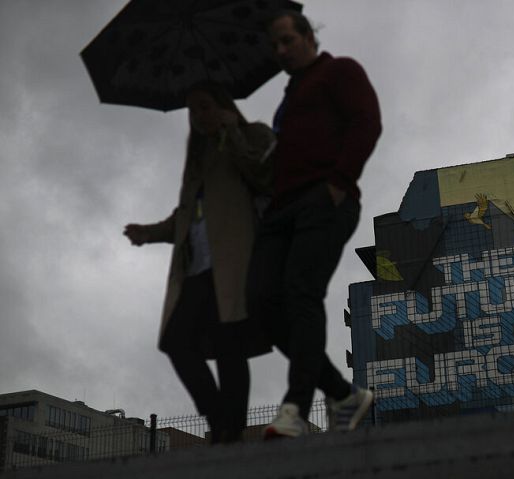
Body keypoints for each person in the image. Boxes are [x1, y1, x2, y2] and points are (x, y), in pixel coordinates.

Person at [251, 10, 382, 438]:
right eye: (274, 46)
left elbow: (367, 121)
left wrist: (340, 182)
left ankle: (294, 409)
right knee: (263, 304)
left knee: (301, 293)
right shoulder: (286, 104)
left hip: (324, 199)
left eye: (287, 40)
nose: (281, 51)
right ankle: (343, 393)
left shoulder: (339, 71)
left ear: (309, 35)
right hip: (281, 210)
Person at [124, 81, 274, 443]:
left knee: (229, 344)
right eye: (192, 110)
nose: (198, 116)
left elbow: (264, 174)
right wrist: (150, 232)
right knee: (176, 341)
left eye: (205, 106)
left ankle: (230, 429)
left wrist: (232, 131)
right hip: (195, 266)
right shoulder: (198, 156)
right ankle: (219, 415)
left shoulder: (253, 133)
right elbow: (186, 216)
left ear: (222, 105)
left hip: (235, 260)